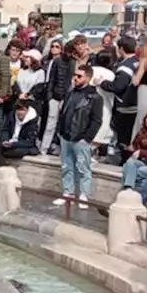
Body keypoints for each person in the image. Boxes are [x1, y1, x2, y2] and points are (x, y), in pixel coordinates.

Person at [53, 64, 103, 210]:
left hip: (80, 137)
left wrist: (87, 138)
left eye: (79, 76)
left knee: (83, 167)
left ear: (88, 78)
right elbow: (64, 113)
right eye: (75, 75)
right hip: (66, 135)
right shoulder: (70, 93)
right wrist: (60, 131)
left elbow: (96, 120)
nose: (75, 78)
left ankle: (83, 195)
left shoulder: (94, 97)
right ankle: (67, 193)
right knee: (66, 166)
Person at [0, 99, 40, 167]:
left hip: (22, 146)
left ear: (27, 111)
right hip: (10, 142)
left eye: (22, 110)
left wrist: (13, 144)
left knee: (15, 151)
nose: (19, 112)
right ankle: (3, 166)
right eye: (18, 110)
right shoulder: (11, 115)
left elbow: (30, 141)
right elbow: (5, 129)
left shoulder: (32, 122)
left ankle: (3, 164)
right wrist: (5, 140)